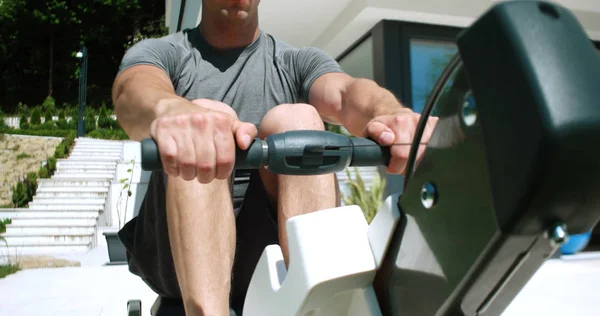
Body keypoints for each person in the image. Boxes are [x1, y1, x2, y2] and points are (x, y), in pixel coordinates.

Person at [112, 0, 437, 315]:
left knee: (299, 122)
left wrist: (390, 114)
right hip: (176, 253)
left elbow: (344, 93)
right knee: (209, 116)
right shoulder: (165, 52)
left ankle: (316, 307)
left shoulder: (295, 61)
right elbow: (134, 91)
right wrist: (173, 111)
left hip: (267, 247)